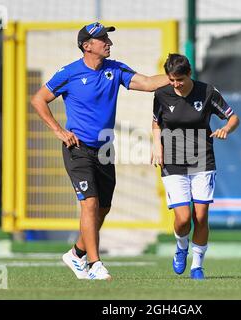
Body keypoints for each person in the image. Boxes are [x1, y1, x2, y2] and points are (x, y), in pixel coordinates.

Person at [31, 22, 169, 280]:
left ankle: (76, 254)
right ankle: (95, 264)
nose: (109, 42)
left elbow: (149, 83)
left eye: (107, 37)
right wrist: (59, 131)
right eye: (103, 38)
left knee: (102, 208)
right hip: (77, 148)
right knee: (90, 204)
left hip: (105, 148)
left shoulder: (115, 69)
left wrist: (180, 78)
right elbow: (38, 99)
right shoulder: (68, 73)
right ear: (87, 46)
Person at [151, 53, 240, 280]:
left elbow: (233, 118)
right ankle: (181, 246)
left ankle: (197, 266)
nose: (175, 85)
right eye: (171, 80)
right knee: (183, 219)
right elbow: (156, 122)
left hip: (203, 161)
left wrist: (225, 129)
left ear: (189, 74)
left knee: (201, 217)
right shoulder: (161, 94)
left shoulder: (207, 91)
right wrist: (156, 147)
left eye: (179, 80)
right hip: (173, 161)